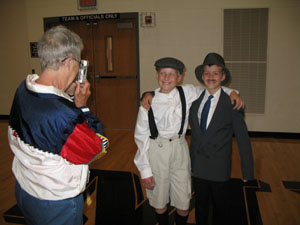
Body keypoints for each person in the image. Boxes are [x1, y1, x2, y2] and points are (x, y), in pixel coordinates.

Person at [8, 25, 108, 225]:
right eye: (78, 63)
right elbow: (98, 148)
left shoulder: (24, 88)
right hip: (55, 203)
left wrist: (68, 97)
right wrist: (82, 108)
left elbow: (45, 118)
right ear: (69, 61)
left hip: (24, 188)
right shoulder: (63, 116)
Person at [134, 57, 243, 225]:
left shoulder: (188, 92)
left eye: (172, 74)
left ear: (179, 78)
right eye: (163, 73)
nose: (166, 78)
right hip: (157, 149)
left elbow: (213, 89)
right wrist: (145, 170)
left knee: (183, 198)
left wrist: (232, 92)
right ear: (157, 75)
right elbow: (140, 137)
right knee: (159, 197)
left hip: (180, 148)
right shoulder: (148, 102)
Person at [189, 52, 254, 225]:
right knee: (200, 206)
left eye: (216, 73)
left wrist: (247, 170)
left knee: (220, 208)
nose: (211, 77)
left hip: (219, 167)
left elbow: (242, 138)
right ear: (202, 76)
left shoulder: (232, 104)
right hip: (199, 166)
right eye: (207, 73)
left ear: (223, 76)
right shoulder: (195, 102)